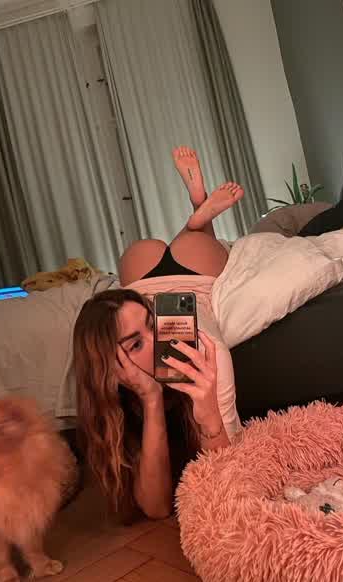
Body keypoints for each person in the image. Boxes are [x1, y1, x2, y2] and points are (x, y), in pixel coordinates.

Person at [73, 147, 244, 520]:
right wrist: (151, 398)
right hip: (153, 269)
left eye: (152, 324)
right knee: (195, 241)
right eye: (135, 343)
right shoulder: (112, 402)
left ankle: (198, 211)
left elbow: (233, 478)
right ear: (109, 365)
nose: (158, 343)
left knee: (197, 243)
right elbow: (155, 507)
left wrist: (209, 412)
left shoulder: (204, 350)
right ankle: (197, 216)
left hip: (152, 276)